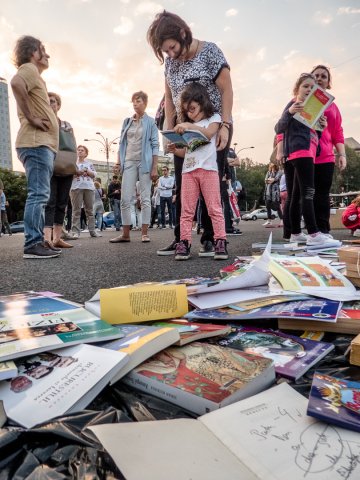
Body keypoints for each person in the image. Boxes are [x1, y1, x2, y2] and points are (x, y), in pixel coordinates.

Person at [147, 11, 233, 256]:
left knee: (210, 182)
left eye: (172, 47)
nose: (171, 55)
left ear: (183, 34)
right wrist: (169, 132)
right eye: (166, 52)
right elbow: (170, 100)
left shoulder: (210, 52)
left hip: (214, 126)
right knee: (184, 182)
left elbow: (227, 91)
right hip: (183, 130)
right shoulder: (171, 64)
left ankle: (211, 238)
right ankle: (181, 239)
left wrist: (225, 125)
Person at [11, 35, 60, 259]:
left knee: (41, 194)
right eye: (43, 49)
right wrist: (31, 117)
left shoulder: (36, 75)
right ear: (33, 52)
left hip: (41, 144)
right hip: (35, 142)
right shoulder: (29, 69)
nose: (47, 54)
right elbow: (15, 83)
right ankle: (32, 243)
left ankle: (38, 240)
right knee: (38, 194)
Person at [167, 82, 228, 261]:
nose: (190, 113)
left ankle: (220, 241)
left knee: (214, 208)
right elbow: (187, 150)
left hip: (208, 170)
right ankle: (184, 242)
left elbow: (208, 134)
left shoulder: (214, 118)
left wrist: (188, 126)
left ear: (202, 102)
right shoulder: (188, 126)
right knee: (186, 210)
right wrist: (174, 149)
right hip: (189, 171)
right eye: (187, 110)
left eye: (192, 108)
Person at [274, 73, 331, 246]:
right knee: (308, 193)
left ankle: (295, 233)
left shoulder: (312, 108)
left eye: (312, 88)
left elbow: (314, 134)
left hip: (307, 151)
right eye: (305, 86)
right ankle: (314, 234)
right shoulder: (294, 104)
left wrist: (321, 125)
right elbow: (278, 127)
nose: (309, 89)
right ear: (297, 89)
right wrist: (290, 112)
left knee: (297, 194)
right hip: (300, 152)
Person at [110, 91, 159, 244]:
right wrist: (118, 162)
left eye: (138, 101)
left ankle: (144, 233)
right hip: (129, 161)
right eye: (133, 101)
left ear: (145, 103)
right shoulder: (127, 121)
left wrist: (154, 167)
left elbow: (155, 145)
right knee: (125, 198)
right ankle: (125, 234)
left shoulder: (151, 122)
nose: (135, 104)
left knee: (145, 198)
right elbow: (122, 143)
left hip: (145, 162)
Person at [310, 64, 346, 237]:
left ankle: (323, 230)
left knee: (322, 195)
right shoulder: (300, 99)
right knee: (307, 194)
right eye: (316, 75)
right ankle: (310, 231)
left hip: (325, 156)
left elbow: (338, 132)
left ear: (328, 82)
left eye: (323, 76)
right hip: (305, 155)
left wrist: (342, 154)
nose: (319, 78)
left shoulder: (333, 107)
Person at [44, 92, 76, 249]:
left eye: (54, 102)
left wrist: (73, 164)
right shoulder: (43, 121)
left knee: (62, 203)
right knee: (50, 202)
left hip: (65, 166)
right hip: (49, 165)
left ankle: (57, 238)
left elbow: (72, 146)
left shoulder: (66, 125)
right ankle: (46, 238)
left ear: (59, 105)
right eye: (49, 101)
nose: (52, 104)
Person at [69, 145, 100, 238]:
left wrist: (87, 171)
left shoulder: (89, 164)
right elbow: (68, 176)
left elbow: (94, 175)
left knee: (90, 210)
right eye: (78, 150)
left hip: (89, 188)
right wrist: (78, 172)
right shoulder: (72, 163)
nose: (80, 151)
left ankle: (92, 231)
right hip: (76, 188)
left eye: (82, 150)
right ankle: (75, 232)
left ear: (86, 153)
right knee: (76, 210)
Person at [263, 163, 283, 228]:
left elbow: (275, 179)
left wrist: (270, 180)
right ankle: (269, 221)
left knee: (277, 206)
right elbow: (265, 181)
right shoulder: (268, 172)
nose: (272, 168)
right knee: (267, 206)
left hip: (275, 192)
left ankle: (282, 220)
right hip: (268, 192)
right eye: (271, 167)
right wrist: (270, 180)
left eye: (273, 167)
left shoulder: (279, 172)